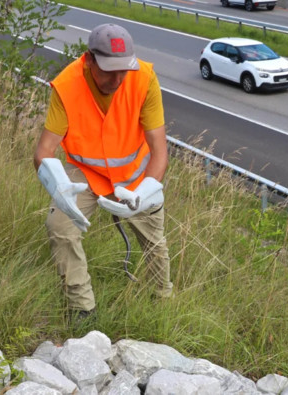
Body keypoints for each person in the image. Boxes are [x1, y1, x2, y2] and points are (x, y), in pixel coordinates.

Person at [33, 23, 173, 321]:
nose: (118, 79)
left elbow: (159, 152)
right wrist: (58, 186)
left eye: (124, 70)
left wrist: (146, 190)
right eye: (109, 70)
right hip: (87, 175)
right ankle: (82, 309)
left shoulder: (144, 79)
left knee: (155, 241)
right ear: (89, 59)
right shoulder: (67, 85)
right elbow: (44, 151)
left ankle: (162, 301)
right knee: (60, 226)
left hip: (136, 178)